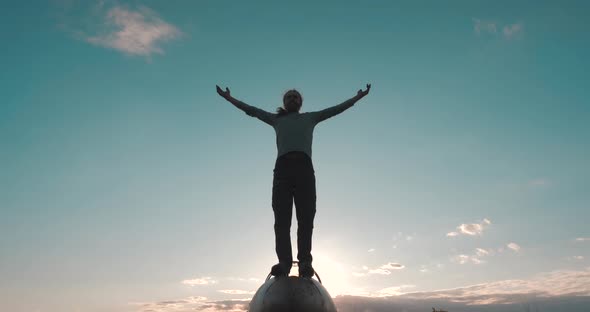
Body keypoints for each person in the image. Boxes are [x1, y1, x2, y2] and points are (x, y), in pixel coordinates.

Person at [216, 83, 371, 278]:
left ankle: (305, 262)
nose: (292, 99)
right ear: (284, 102)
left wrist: (357, 98)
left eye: (295, 97)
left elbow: (335, 110)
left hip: (304, 170)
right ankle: (284, 262)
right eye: (289, 97)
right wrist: (230, 99)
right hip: (283, 170)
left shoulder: (310, 118)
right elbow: (252, 111)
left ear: (300, 103)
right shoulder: (276, 119)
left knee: (306, 218)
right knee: (282, 220)